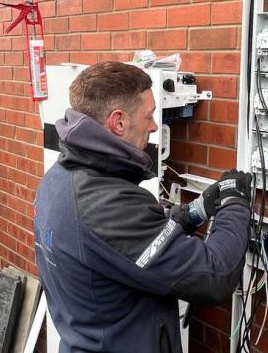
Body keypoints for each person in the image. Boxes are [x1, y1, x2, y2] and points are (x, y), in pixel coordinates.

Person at [34, 61, 252, 353]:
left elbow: (122, 245)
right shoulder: (103, 203)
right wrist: (235, 204)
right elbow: (214, 276)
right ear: (119, 122)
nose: (154, 126)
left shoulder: (60, 178)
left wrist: (194, 212)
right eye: (149, 115)